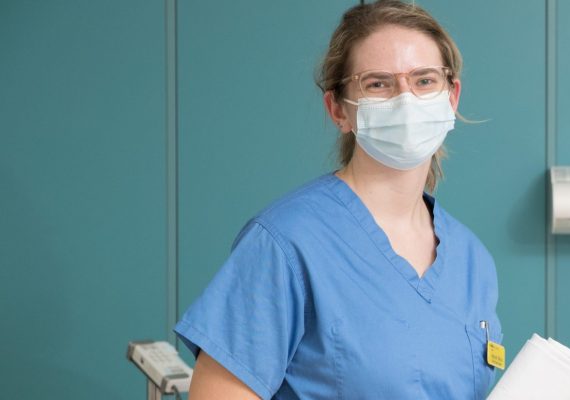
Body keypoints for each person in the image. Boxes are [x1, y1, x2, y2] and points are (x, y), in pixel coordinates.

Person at [175, 1, 502, 398]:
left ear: (452, 97)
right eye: (378, 84)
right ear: (338, 110)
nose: (406, 100)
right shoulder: (286, 244)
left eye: (424, 80)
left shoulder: (471, 260)